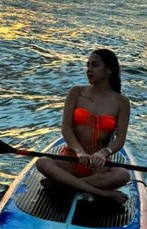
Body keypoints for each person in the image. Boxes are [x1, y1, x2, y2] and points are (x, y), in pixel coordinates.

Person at [36, 49, 130, 203]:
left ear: (109, 70)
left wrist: (104, 153)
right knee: (42, 162)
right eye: (87, 65)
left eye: (95, 65)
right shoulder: (76, 92)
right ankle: (102, 193)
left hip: (97, 166)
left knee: (123, 175)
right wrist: (79, 152)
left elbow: (120, 139)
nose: (89, 70)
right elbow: (66, 128)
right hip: (71, 160)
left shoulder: (122, 102)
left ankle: (63, 184)